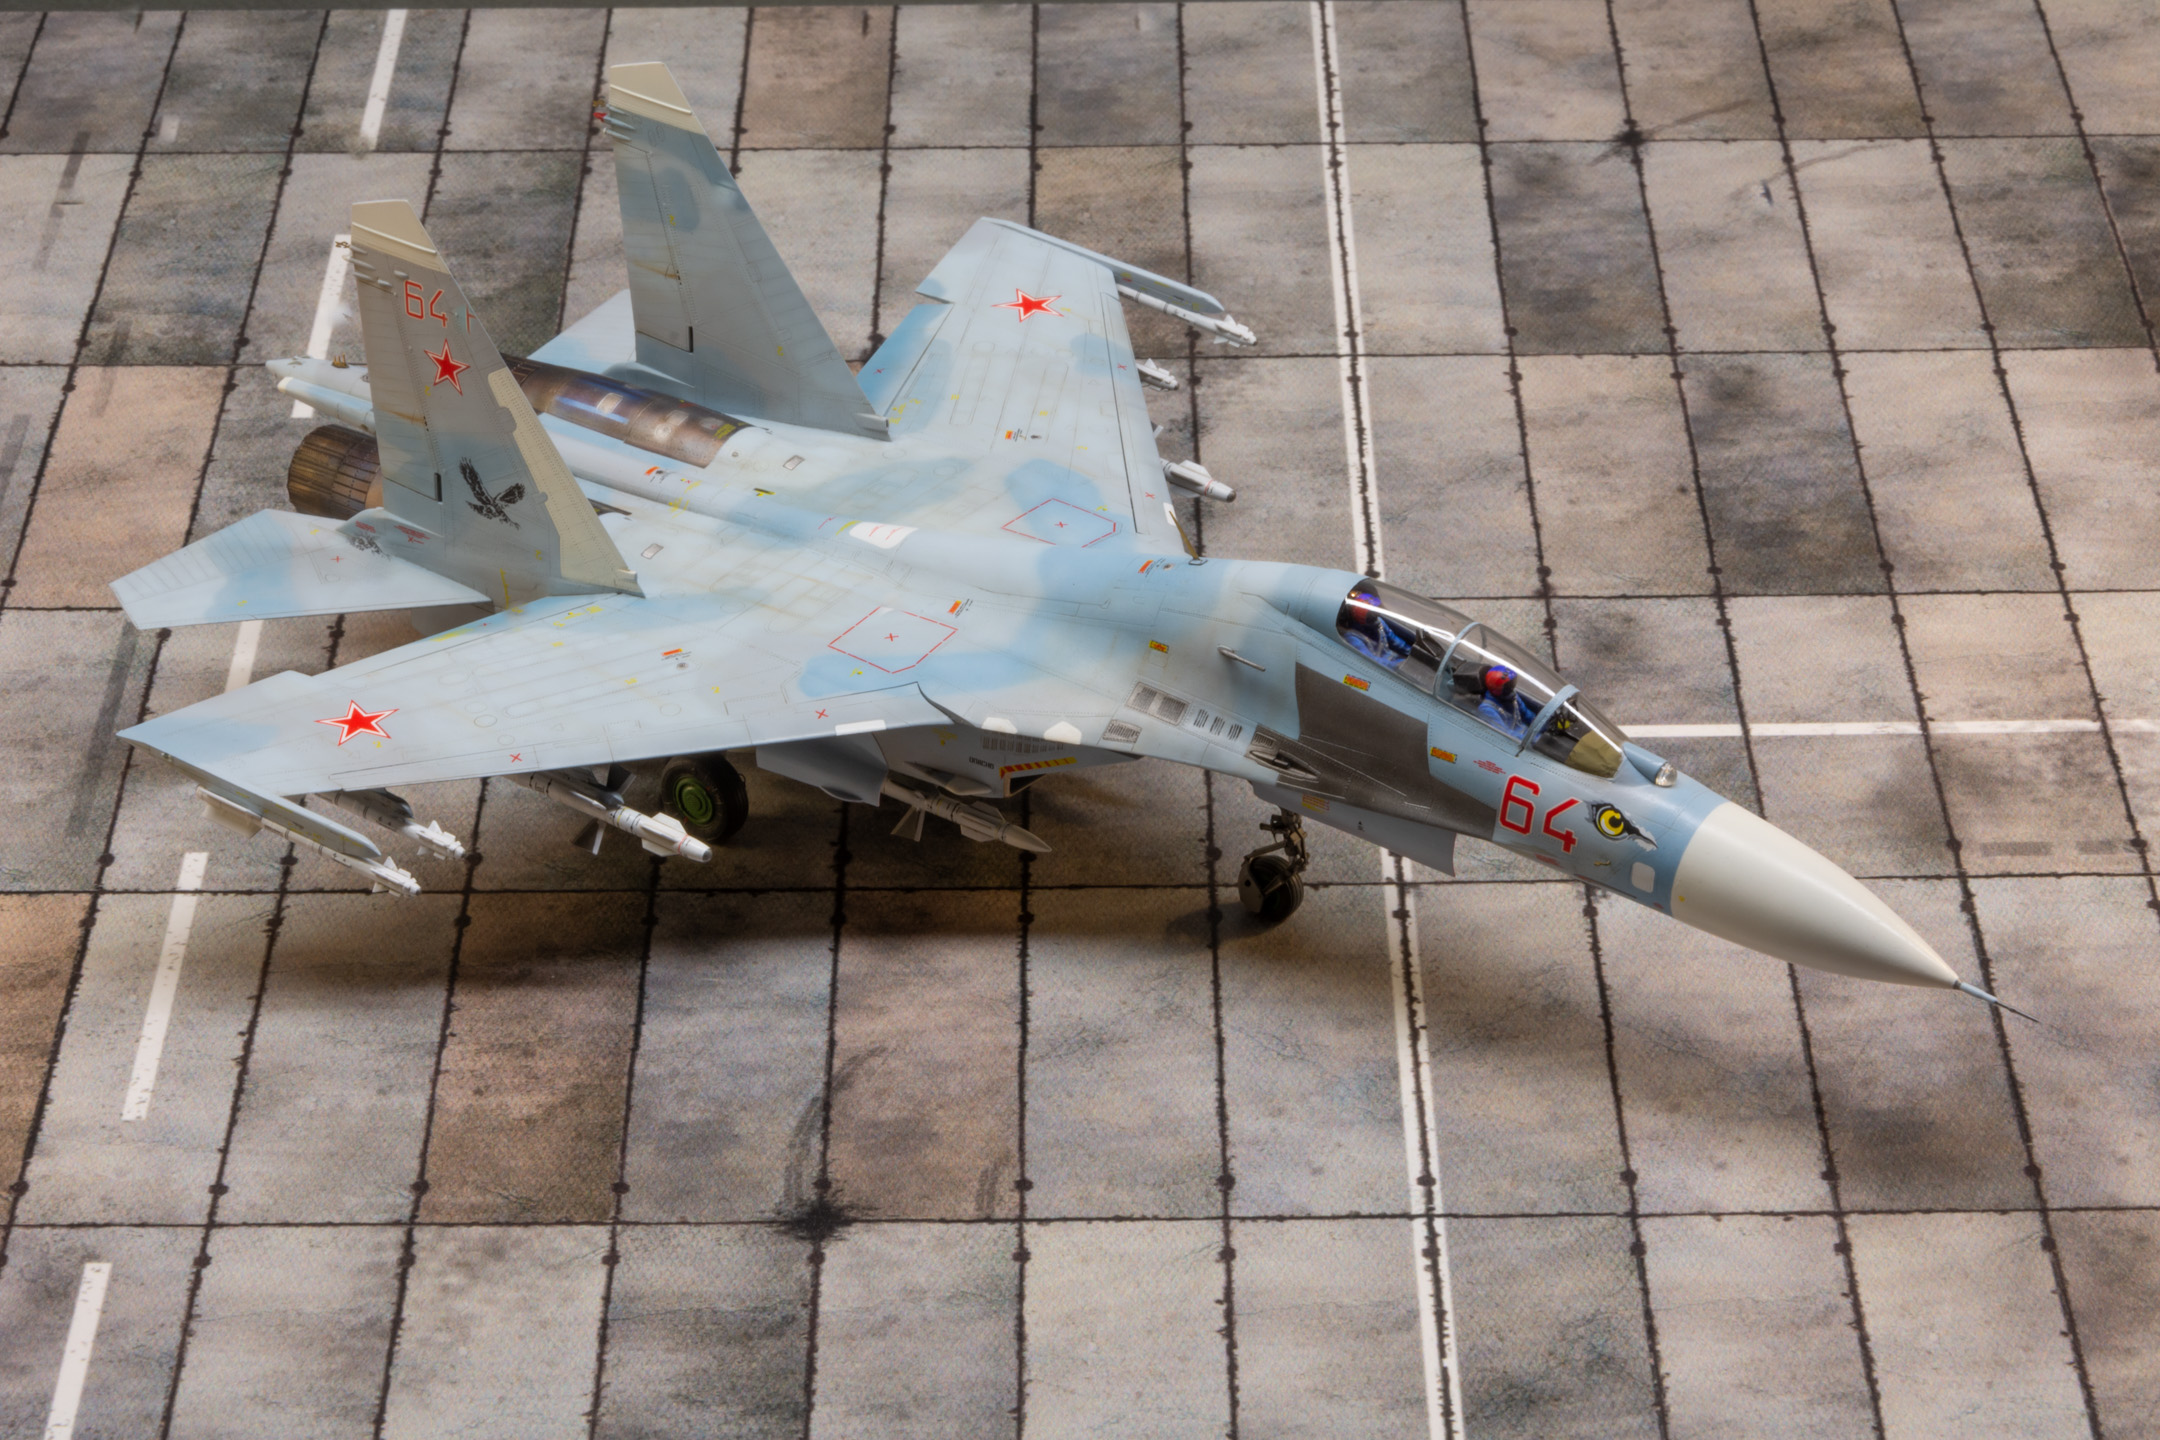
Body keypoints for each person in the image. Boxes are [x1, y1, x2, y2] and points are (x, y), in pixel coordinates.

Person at [1342, 586, 1416, 669]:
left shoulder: (1379, 622)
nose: (1375, 616)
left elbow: (1394, 640)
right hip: (1387, 668)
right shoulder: (1352, 638)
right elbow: (1371, 661)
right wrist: (1399, 666)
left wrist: (1413, 653)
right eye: (1372, 614)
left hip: (1395, 660)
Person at [1477, 665, 1540, 739]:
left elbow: (1526, 713)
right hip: (1519, 739)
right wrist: (1534, 740)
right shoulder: (1487, 709)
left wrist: (1541, 725)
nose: (1511, 688)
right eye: (1508, 685)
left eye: (1512, 683)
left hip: (1527, 733)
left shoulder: (1512, 696)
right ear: (1498, 688)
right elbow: (1505, 734)